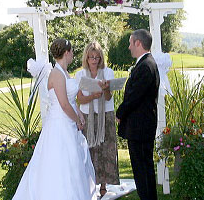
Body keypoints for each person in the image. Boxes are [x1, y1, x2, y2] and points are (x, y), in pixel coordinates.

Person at [12, 38, 96, 200]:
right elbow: (63, 104)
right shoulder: (56, 74)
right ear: (66, 53)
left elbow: (71, 100)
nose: (73, 55)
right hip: (60, 125)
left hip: (69, 124)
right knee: (60, 165)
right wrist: (77, 121)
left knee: (73, 166)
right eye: (71, 52)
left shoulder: (65, 73)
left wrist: (79, 113)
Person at [116, 29, 160, 200]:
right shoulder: (147, 63)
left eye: (130, 43)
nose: (128, 47)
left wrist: (120, 113)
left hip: (140, 128)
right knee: (144, 170)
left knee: (142, 171)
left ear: (138, 43)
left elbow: (134, 97)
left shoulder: (145, 66)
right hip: (142, 127)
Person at [75, 41, 120, 198]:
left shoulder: (108, 72)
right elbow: (79, 99)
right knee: (89, 149)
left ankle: (103, 184)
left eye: (97, 57)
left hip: (105, 115)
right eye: (91, 57)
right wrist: (93, 96)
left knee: (105, 148)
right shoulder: (80, 74)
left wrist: (106, 89)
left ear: (101, 58)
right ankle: (89, 183)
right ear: (86, 58)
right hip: (87, 115)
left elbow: (108, 97)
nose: (94, 60)